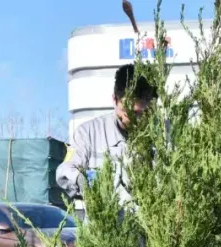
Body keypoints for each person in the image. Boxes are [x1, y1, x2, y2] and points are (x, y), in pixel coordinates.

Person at [55, 63, 157, 218]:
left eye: (140, 113)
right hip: (102, 228)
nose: (135, 120)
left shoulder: (163, 136)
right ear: (114, 99)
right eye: (127, 112)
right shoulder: (88, 133)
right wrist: (81, 179)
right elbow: (65, 169)